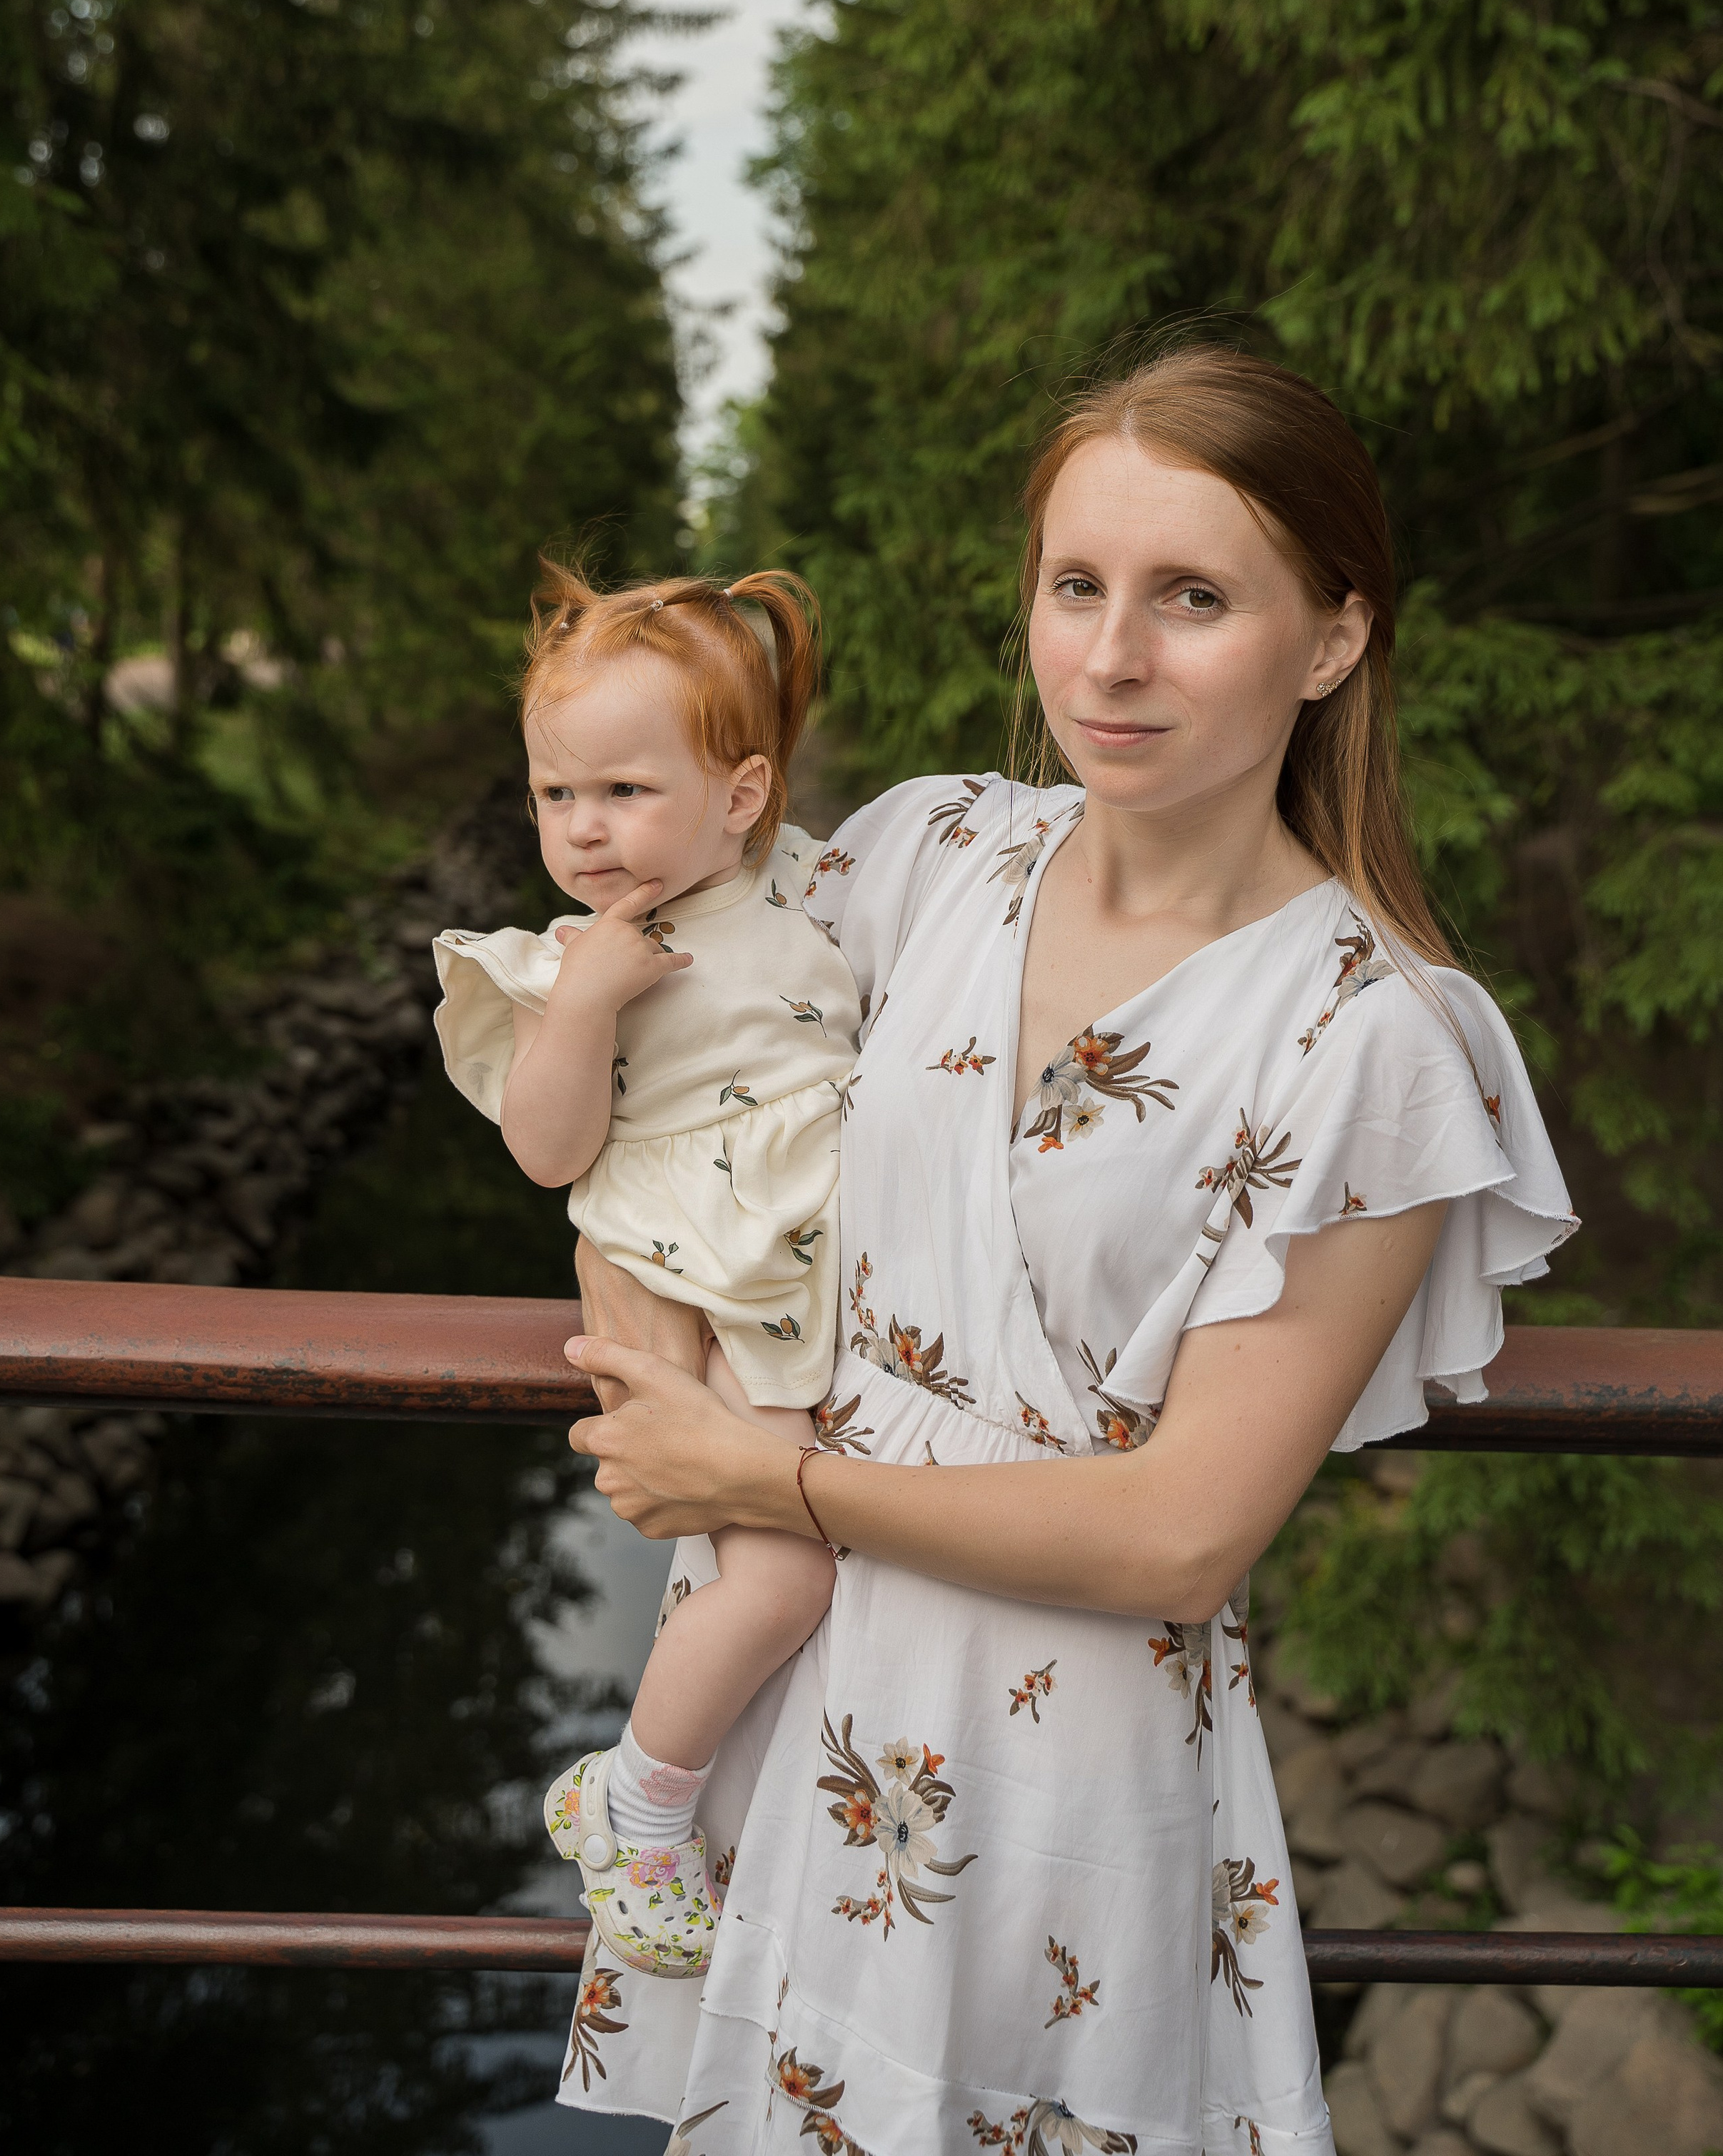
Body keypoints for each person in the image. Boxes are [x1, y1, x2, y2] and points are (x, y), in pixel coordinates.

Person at [552, 345, 1575, 2152]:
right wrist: (645, 1347)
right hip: (786, 1704)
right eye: (1074, 586)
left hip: (1059, 1792)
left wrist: (761, 1472)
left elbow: (1185, 1532)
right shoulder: (925, 857)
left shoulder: (1370, 1043)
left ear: (1330, 639)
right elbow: (658, 1085)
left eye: (1192, 598)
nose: (1109, 658)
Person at [433, 565, 859, 1978]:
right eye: (559, 796)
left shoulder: (788, 886)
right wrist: (586, 1007)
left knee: (788, 1562)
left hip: (783, 1246)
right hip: (695, 1263)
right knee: (783, 1575)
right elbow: (550, 1154)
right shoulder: (582, 958)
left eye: (625, 792)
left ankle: (651, 1791)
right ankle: (638, 1799)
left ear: (739, 799)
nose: (587, 830)